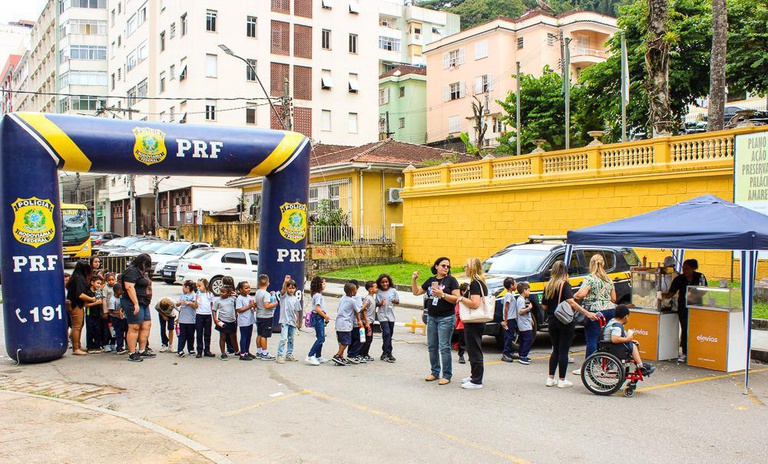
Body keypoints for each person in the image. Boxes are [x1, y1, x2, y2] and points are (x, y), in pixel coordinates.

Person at [541, 261, 596, 388]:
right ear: (565, 272)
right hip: (565, 321)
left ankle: (550, 378)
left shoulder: (548, 286)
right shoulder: (564, 285)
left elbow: (544, 306)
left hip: (552, 320)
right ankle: (562, 380)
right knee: (564, 350)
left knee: (555, 350)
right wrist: (586, 313)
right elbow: (571, 302)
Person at [412, 257, 460, 385]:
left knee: (444, 347)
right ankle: (434, 372)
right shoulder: (431, 280)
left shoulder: (451, 280)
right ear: (436, 266)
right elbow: (416, 292)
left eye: (448, 266)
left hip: (446, 317)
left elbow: (457, 298)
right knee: (432, 346)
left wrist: (442, 294)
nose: (446, 268)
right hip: (432, 317)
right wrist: (414, 279)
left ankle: (447, 375)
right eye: (443, 265)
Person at [572, 253, 617, 374]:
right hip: (610, 310)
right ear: (603, 264)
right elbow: (614, 298)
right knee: (606, 338)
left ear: (591, 264)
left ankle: (588, 366)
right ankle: (608, 364)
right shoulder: (609, 279)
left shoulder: (590, 278)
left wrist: (574, 296)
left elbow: (581, 294)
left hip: (595, 311)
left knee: (592, 339)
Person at [663, 258, 708, 362]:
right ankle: (684, 352)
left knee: (696, 329)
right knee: (685, 329)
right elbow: (671, 293)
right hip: (683, 307)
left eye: (687, 269)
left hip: (696, 306)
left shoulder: (700, 277)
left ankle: (696, 351)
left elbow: (704, 290)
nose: (685, 271)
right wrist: (661, 295)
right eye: (683, 268)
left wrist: (695, 295)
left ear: (693, 268)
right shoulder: (679, 279)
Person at [458, 257, 490, 390]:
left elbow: (475, 303)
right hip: (476, 322)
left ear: (471, 268)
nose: (465, 269)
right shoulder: (479, 282)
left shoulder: (475, 284)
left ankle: (477, 380)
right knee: (472, 349)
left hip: (474, 322)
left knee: (474, 350)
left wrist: (461, 299)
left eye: (466, 266)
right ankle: (473, 375)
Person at [121, 253, 156, 362]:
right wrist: (135, 303)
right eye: (146, 264)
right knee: (134, 327)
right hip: (134, 302)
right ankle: (132, 352)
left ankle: (142, 350)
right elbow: (129, 287)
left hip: (144, 303)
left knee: (146, 325)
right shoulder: (132, 271)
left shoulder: (142, 272)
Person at [602, 305, 656, 375]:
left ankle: (639, 364)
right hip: (612, 346)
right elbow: (614, 339)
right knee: (633, 346)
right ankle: (640, 366)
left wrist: (629, 339)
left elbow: (621, 335)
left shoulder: (614, 322)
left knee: (634, 344)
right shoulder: (616, 326)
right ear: (626, 317)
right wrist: (628, 339)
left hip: (610, 345)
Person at [66, 261, 92, 356]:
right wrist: (92, 299)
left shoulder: (75, 277)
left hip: (75, 304)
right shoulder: (79, 279)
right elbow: (80, 294)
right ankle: (76, 348)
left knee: (79, 325)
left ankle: (78, 345)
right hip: (76, 304)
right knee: (77, 326)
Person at [333, 282, 361, 366]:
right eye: (355, 290)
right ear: (352, 292)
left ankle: (341, 357)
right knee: (346, 342)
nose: (356, 291)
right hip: (346, 324)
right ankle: (338, 355)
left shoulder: (343, 298)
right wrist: (359, 320)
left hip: (339, 323)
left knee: (341, 341)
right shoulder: (353, 301)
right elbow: (358, 310)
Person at [276, 275, 301, 363]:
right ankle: (279, 355)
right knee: (283, 338)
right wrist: (285, 282)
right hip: (285, 321)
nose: (291, 290)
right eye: (289, 288)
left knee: (291, 339)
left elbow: (297, 311)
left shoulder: (296, 299)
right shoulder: (284, 296)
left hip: (292, 322)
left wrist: (297, 322)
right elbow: (283, 290)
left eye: (293, 288)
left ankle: (289, 354)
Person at [254, 274, 279, 360]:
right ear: (268, 283)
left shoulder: (258, 292)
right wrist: (276, 303)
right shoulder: (266, 294)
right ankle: (264, 353)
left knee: (259, 334)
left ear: (258, 283)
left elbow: (257, 303)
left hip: (259, 315)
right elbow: (267, 305)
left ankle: (259, 351)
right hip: (266, 317)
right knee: (264, 336)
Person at [377, 273, 401, 363]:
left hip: (391, 315)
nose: (385, 284)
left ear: (389, 282)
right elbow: (375, 303)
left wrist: (395, 301)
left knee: (389, 334)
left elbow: (398, 301)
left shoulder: (393, 291)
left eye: (386, 282)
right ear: (380, 283)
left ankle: (384, 352)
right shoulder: (378, 292)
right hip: (382, 314)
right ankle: (389, 353)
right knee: (386, 332)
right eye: (382, 282)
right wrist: (380, 303)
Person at [306, 277, 330, 365]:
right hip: (318, 317)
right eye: (323, 283)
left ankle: (318, 356)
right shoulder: (318, 296)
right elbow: (317, 308)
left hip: (319, 317)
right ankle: (310, 355)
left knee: (320, 337)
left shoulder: (317, 295)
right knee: (321, 338)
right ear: (319, 285)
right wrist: (325, 316)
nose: (325, 285)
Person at [213, 285, 238, 360]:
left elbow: (238, 300)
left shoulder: (232, 299)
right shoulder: (218, 301)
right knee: (222, 337)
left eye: (223, 292)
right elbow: (214, 310)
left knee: (233, 337)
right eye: (221, 292)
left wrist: (235, 294)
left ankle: (237, 351)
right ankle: (223, 353)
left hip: (232, 320)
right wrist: (215, 319)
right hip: (222, 321)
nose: (221, 293)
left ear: (229, 293)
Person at [175, 280, 198, 357]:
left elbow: (196, 306)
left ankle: (191, 349)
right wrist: (180, 302)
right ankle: (180, 349)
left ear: (187, 287)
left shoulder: (194, 295)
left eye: (183, 287)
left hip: (191, 319)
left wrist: (189, 303)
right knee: (182, 335)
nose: (182, 288)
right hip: (182, 319)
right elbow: (176, 304)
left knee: (191, 335)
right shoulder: (182, 296)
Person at [347, 280, 367, 363]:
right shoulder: (357, 297)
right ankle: (353, 354)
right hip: (356, 321)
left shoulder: (345, 297)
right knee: (360, 339)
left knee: (352, 338)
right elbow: (358, 310)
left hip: (349, 322)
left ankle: (350, 354)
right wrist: (365, 306)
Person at [84, 275, 105, 354]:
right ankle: (90, 346)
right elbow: (86, 305)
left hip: (97, 313)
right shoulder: (88, 292)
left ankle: (97, 345)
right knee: (90, 330)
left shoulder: (98, 292)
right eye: (98, 283)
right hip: (90, 313)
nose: (99, 285)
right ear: (92, 282)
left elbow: (99, 299)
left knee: (97, 329)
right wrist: (95, 303)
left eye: (100, 284)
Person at [195, 278, 215, 358]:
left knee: (207, 333)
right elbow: (196, 306)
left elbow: (212, 305)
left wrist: (213, 315)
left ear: (205, 285)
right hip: (199, 314)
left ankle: (207, 350)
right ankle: (199, 350)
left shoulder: (210, 294)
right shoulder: (198, 294)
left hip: (207, 314)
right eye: (197, 286)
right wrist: (196, 299)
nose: (198, 288)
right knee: (199, 333)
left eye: (200, 286)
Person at [515, 282, 534, 365]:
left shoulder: (523, 300)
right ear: (524, 290)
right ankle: (523, 355)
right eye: (528, 290)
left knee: (523, 339)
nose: (529, 292)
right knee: (527, 339)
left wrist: (530, 319)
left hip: (526, 322)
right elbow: (521, 311)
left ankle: (522, 354)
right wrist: (529, 308)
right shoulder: (521, 300)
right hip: (524, 324)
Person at [235, 281, 255, 360]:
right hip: (243, 321)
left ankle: (247, 351)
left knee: (249, 336)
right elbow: (239, 309)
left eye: (249, 288)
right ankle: (242, 353)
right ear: (241, 289)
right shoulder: (239, 299)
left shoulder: (249, 297)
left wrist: (253, 306)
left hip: (250, 319)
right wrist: (249, 306)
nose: (248, 289)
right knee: (244, 336)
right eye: (246, 288)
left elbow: (252, 307)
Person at [501, 277, 518, 362]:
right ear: (511, 286)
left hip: (512, 318)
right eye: (515, 283)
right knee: (508, 337)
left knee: (511, 336)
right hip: (509, 319)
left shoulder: (511, 295)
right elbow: (506, 307)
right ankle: (506, 353)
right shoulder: (508, 295)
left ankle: (510, 352)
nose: (516, 285)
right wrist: (505, 320)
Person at [359, 281, 376, 362]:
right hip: (367, 322)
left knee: (369, 339)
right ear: (370, 289)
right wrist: (366, 322)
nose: (377, 289)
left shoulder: (372, 298)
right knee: (367, 339)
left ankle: (365, 353)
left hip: (370, 321)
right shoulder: (368, 299)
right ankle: (362, 354)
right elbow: (363, 309)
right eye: (376, 287)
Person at [108, 282, 126, 355]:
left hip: (122, 318)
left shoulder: (121, 298)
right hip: (116, 318)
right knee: (119, 333)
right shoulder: (112, 300)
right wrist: (119, 312)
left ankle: (123, 346)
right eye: (121, 290)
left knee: (123, 332)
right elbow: (111, 311)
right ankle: (119, 347)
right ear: (117, 291)